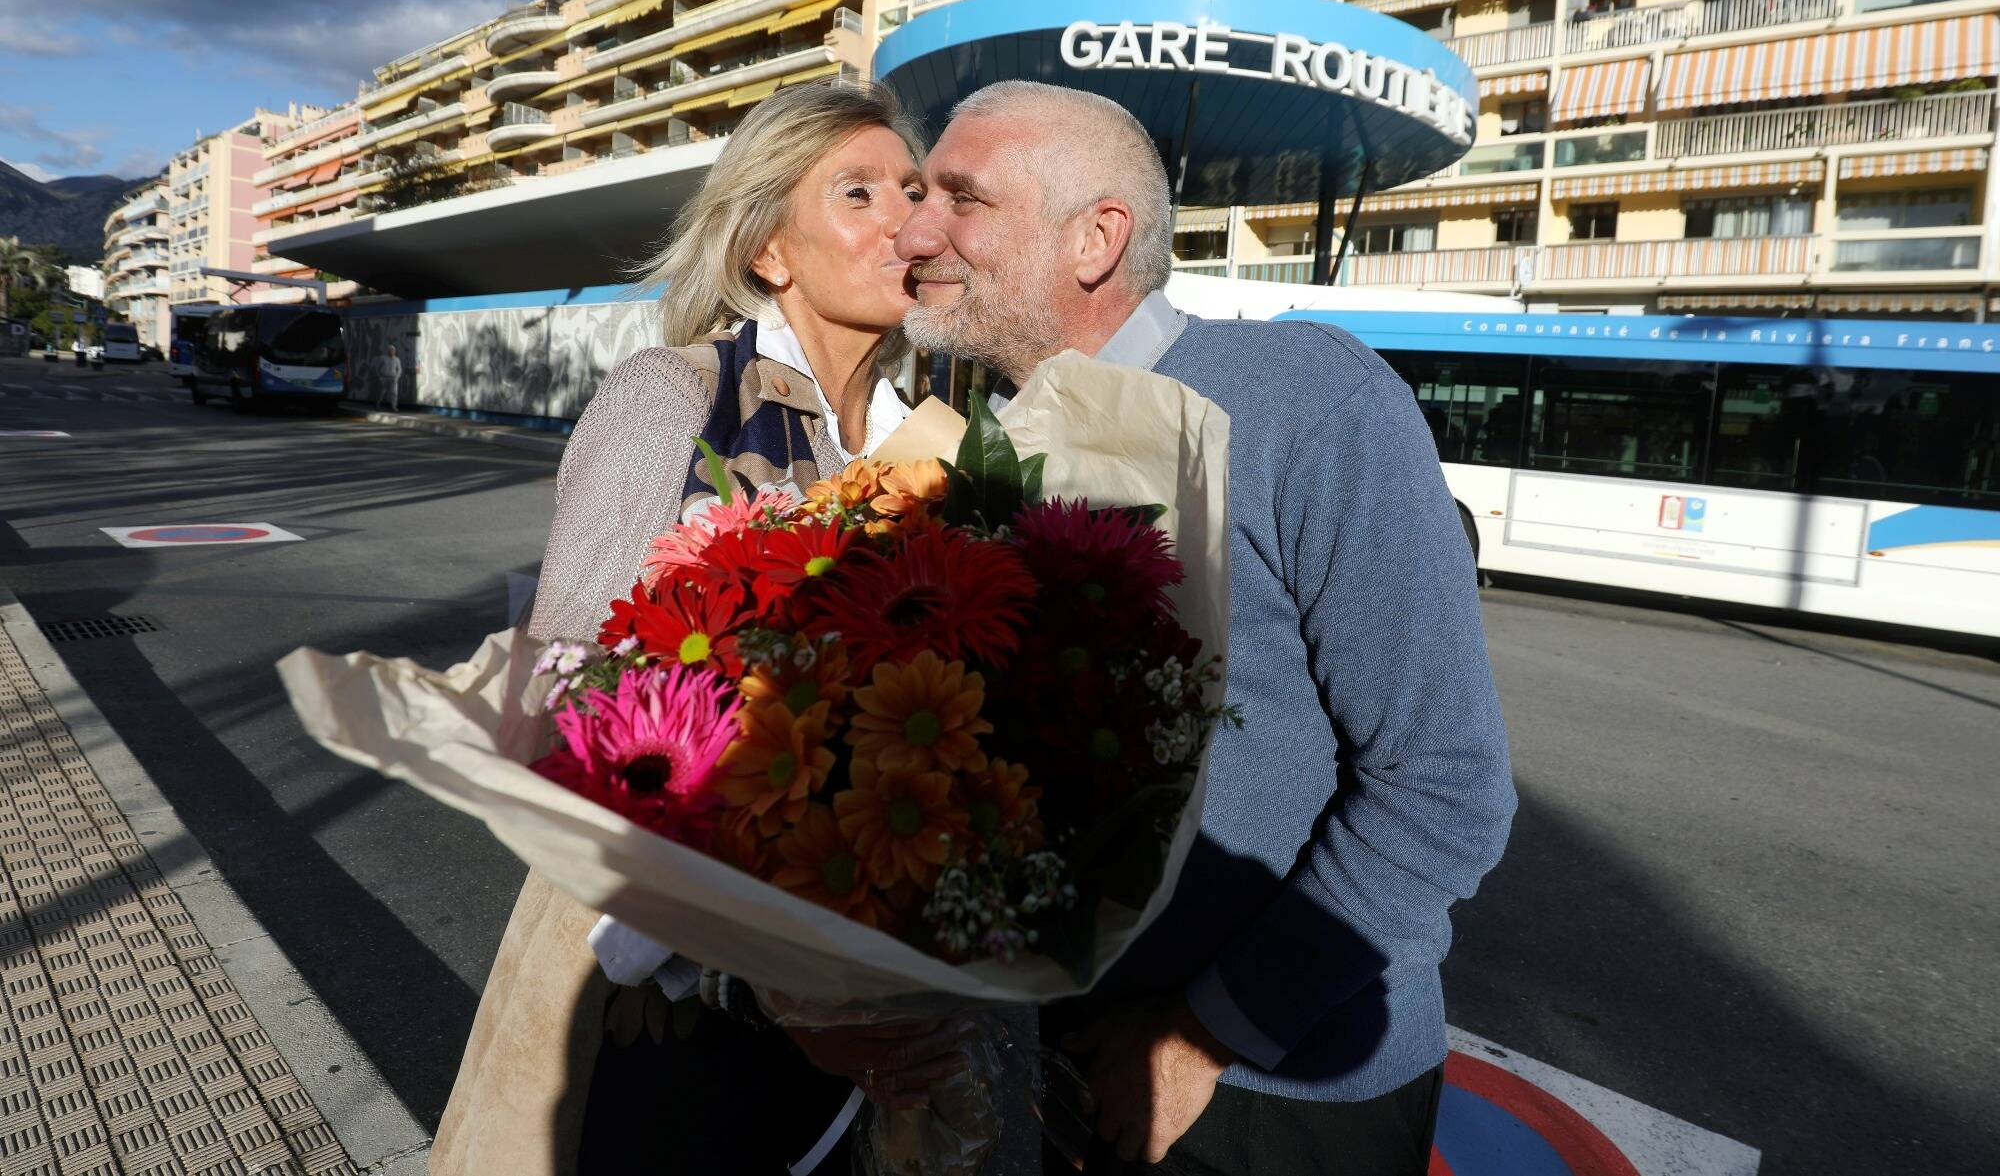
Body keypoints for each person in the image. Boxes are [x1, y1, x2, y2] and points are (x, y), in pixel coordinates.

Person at [889, 81, 1517, 1174]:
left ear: (1096, 237)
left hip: (1273, 1094)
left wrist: (1201, 1034)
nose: (913, 231)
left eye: (960, 198)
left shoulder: (1304, 401)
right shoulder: (974, 456)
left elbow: (1442, 786)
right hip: (1054, 1063)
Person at [432, 81, 962, 1176]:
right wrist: (737, 971)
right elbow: (566, 706)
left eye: (913, 191)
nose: (906, 220)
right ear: (769, 250)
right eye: (857, 192)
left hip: (863, 1006)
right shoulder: (675, 398)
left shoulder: (939, 446)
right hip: (664, 1001)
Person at [377, 343, 403, 411]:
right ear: (388, 351)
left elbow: (399, 369)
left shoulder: (397, 359)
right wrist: (380, 377)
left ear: (395, 351)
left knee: (394, 393)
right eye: (390, 350)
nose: (392, 351)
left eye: (393, 350)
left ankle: (394, 407)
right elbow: (377, 368)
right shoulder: (383, 358)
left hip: (393, 378)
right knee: (382, 392)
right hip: (384, 377)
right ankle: (378, 405)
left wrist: (397, 378)